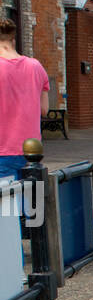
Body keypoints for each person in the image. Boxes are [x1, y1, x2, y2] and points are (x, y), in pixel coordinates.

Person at [0, 17, 50, 180]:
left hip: (2, 150)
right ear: (13, 40)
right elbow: (44, 110)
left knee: (6, 204)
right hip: (32, 153)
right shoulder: (36, 66)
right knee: (33, 202)